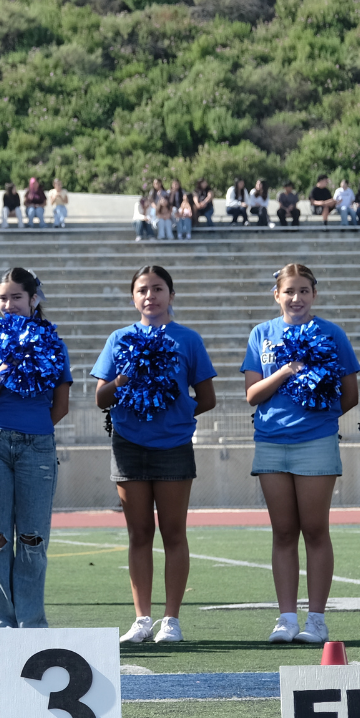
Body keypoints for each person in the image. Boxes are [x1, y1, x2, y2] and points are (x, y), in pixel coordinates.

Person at [95, 265, 217, 645]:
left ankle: (171, 620)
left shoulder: (188, 339)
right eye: (143, 290)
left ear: (171, 295)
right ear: (134, 297)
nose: (151, 296)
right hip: (128, 447)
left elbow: (207, 398)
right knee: (139, 534)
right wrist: (122, 380)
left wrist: (175, 414)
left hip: (173, 447)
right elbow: (101, 398)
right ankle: (142, 619)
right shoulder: (119, 339)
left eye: (159, 288)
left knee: (174, 533)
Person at [242, 264, 360, 645]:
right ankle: (287, 618)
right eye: (289, 291)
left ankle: (317, 619)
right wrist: (285, 372)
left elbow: (350, 394)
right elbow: (252, 394)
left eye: (304, 291)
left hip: (316, 443)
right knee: (283, 533)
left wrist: (317, 418)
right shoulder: (261, 334)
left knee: (315, 529)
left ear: (314, 294)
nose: (297, 298)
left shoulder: (332, 333)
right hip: (271, 443)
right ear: (276, 295)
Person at [0, 269, 71, 636]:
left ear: (33, 299)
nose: (8, 304)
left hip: (37, 446)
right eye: (3, 298)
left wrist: (33, 431)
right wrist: (4, 370)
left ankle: (31, 621)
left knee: (32, 538)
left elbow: (61, 406)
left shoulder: (52, 343)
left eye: (16, 297)